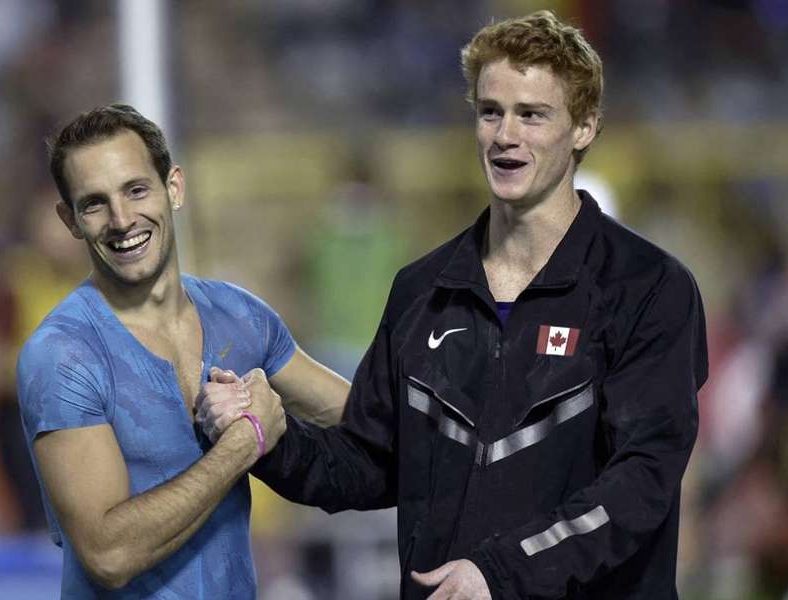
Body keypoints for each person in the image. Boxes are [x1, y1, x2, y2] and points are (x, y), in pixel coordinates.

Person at [203, 10, 708, 599]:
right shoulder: (423, 291)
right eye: (491, 112)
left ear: (585, 127)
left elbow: (640, 484)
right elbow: (368, 464)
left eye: (532, 114)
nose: (505, 135)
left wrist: (498, 572)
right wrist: (270, 438)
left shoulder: (648, 288)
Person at [16, 104, 349, 598]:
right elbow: (109, 556)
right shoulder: (64, 355)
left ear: (173, 187)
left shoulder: (240, 314)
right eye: (94, 204)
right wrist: (243, 444)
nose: (122, 219)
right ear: (70, 220)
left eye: (136, 189)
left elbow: (362, 416)